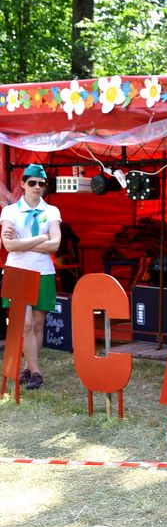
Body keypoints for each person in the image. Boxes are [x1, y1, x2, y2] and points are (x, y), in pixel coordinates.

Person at [0, 164, 62, 390]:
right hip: (17, 272)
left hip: (43, 272)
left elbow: (55, 244)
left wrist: (22, 243)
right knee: (25, 324)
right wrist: (41, 238)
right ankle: (36, 373)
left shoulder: (52, 211)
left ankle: (28, 367)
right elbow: (8, 245)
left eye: (41, 183)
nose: (37, 187)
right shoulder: (10, 211)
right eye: (32, 182)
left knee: (37, 324)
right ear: (23, 184)